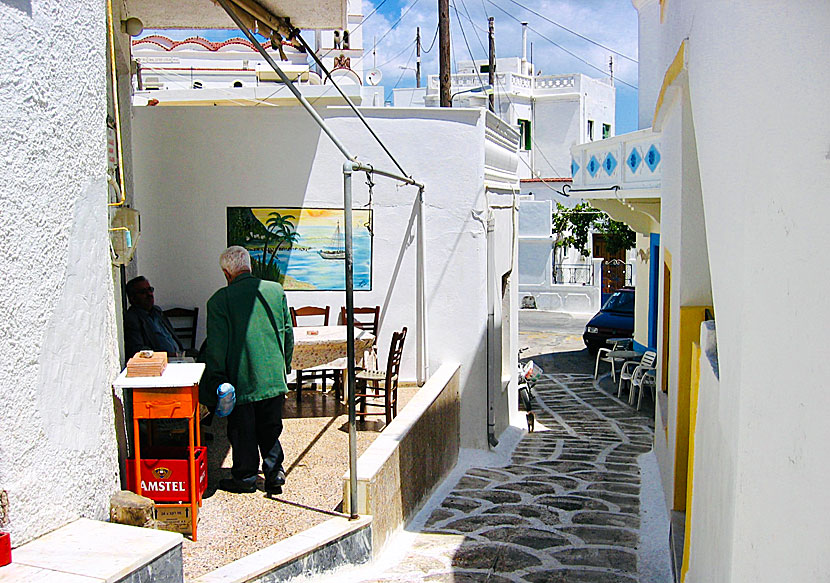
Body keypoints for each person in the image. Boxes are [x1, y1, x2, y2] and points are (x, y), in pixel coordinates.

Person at [201, 246, 294, 494]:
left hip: (240, 379)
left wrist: (216, 380)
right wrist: (284, 366)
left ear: (226, 273)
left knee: (242, 430)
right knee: (271, 427)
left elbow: (217, 346)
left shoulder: (219, 301)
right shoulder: (275, 291)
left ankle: (245, 477)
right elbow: (287, 333)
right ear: (249, 266)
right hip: (273, 376)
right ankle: (274, 474)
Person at [124, 276, 184, 358]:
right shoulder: (132, 319)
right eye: (143, 292)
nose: (149, 294)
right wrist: (166, 355)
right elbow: (138, 351)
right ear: (133, 298)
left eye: (150, 290)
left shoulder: (157, 311)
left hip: (178, 358)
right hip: (159, 363)